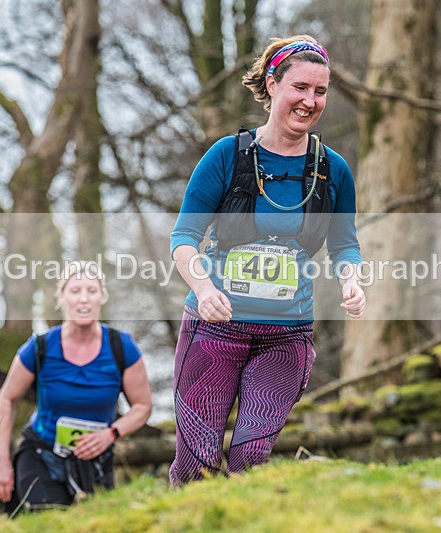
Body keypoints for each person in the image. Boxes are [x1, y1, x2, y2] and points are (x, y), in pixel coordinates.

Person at [169, 35, 366, 486]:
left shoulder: (333, 169)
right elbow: (184, 238)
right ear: (272, 84)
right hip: (214, 331)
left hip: (285, 336)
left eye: (320, 91)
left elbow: (344, 244)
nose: (310, 101)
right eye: (300, 87)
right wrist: (203, 288)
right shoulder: (227, 156)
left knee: (250, 460)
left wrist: (351, 281)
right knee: (196, 462)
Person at [0, 262, 152, 509]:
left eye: (91, 290)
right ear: (61, 297)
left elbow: (142, 406)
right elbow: (7, 399)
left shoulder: (121, 347)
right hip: (41, 455)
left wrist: (111, 434)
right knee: (51, 519)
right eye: (75, 291)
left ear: (102, 297)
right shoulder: (39, 347)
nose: (83, 299)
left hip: (95, 462)